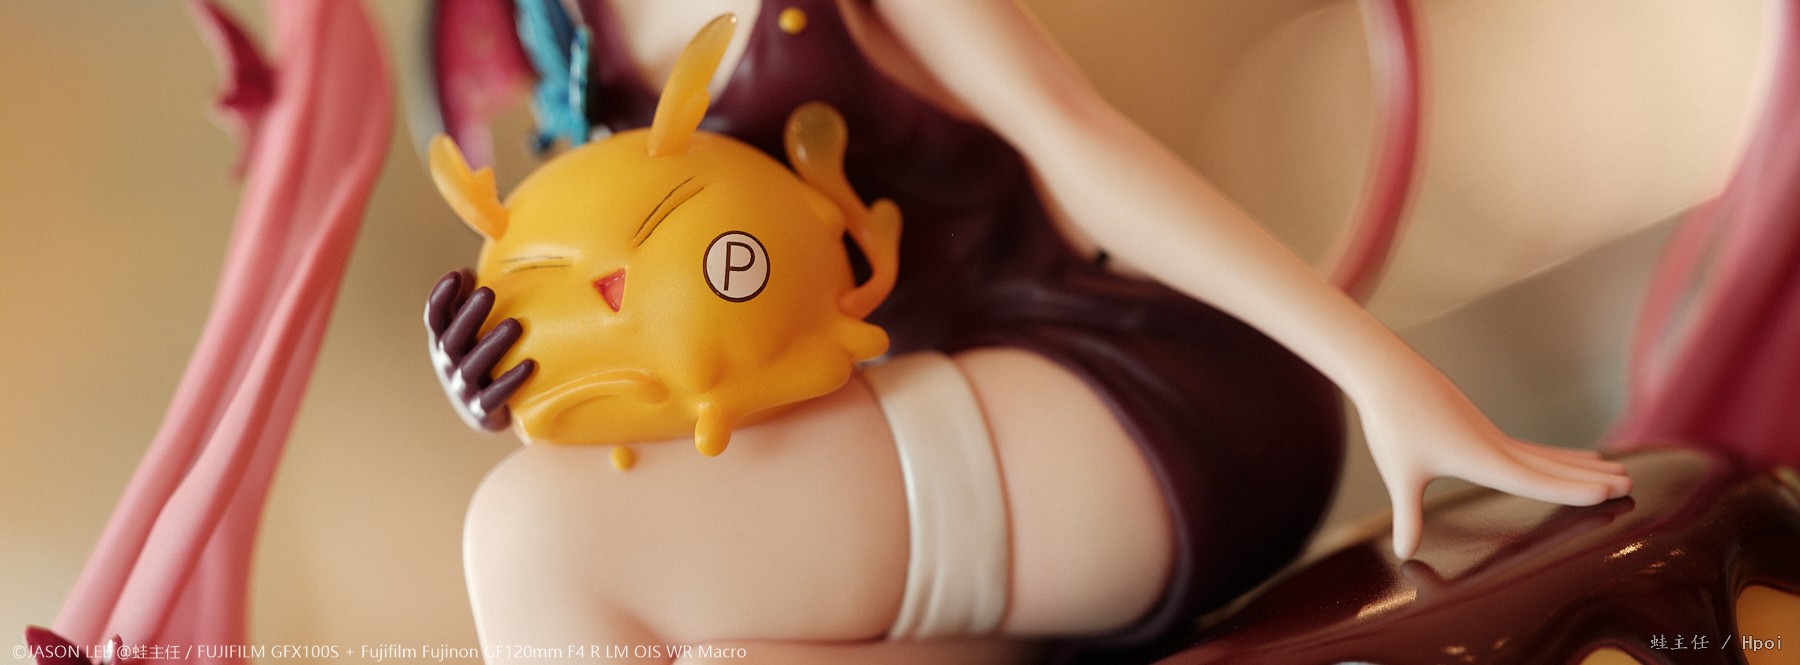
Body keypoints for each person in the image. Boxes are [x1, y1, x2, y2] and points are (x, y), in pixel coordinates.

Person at [421, 1, 1630, 662]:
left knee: (535, 536)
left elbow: (1073, 134)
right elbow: (657, 333)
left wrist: (1374, 365)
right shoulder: (560, 36)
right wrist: (522, 376)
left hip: (1124, 387)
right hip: (912, 453)